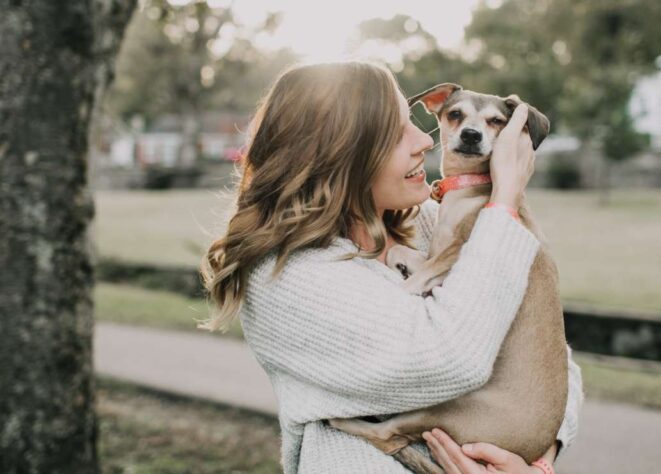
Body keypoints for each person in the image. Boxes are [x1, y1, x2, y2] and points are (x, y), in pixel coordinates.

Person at [198, 60, 584, 473]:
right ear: (341, 154)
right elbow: (450, 357)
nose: (424, 139)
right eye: (398, 132)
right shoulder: (287, 278)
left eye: (415, 122)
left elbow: (550, 356)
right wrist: (505, 198)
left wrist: (538, 460)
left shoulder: (427, 223)